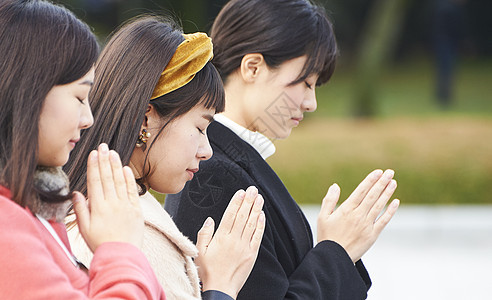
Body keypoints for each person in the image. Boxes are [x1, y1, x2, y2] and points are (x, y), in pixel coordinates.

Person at [165, 0, 400, 299]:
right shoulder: (214, 174)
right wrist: (336, 252)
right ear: (253, 67)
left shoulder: (229, 162)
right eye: (303, 83)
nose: (311, 103)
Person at [64, 16, 265, 300]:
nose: (206, 150)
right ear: (146, 119)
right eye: (199, 127)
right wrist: (221, 288)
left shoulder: (85, 210)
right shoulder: (133, 234)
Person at [0, 0, 165, 299]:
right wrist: (120, 250)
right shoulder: (6, 226)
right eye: (79, 97)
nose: (88, 119)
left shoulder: (33, 209)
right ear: (27, 92)